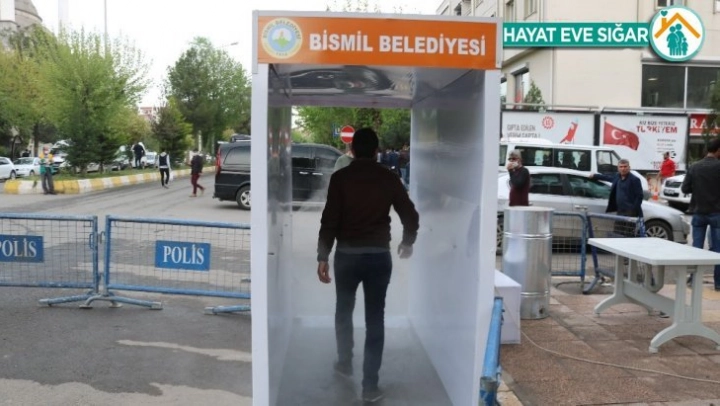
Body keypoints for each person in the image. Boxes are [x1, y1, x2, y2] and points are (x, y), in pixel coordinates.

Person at [316, 128, 419, 403]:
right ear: (376, 151)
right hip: (378, 257)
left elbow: (329, 220)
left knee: (343, 311)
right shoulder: (389, 178)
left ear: (352, 150)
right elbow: (410, 215)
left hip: (347, 257)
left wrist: (323, 256)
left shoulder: (340, 178)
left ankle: (344, 363)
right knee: (375, 319)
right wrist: (407, 242)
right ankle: (370, 386)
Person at [681, 138, 720, 291]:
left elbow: (685, 189)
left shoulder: (694, 167)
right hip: (717, 213)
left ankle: (693, 279)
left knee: (696, 248)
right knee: (718, 250)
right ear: (718, 150)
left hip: (698, 212)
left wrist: (698, 189)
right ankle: (718, 283)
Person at [590, 159, 644, 237]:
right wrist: (595, 176)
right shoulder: (617, 177)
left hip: (630, 213)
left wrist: (633, 210)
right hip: (620, 211)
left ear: (629, 167)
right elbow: (606, 177)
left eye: (625, 166)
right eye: (621, 167)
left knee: (628, 235)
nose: (623, 169)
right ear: (618, 168)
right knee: (618, 233)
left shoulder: (634, 180)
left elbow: (639, 196)